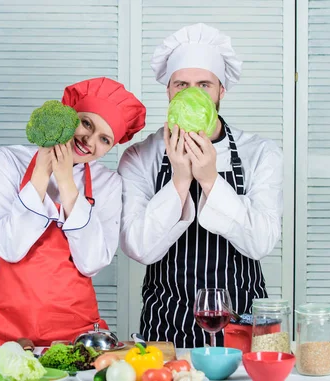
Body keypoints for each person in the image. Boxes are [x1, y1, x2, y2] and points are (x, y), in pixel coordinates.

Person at [118, 23, 284, 348]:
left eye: (204, 84)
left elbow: (261, 243)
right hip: (166, 325)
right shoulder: (139, 155)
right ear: (168, 90)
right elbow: (139, 247)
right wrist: (180, 181)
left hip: (241, 322)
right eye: (182, 84)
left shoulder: (260, 153)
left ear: (221, 91)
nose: (192, 94)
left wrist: (209, 179)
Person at [0, 77, 146, 346]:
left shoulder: (108, 182)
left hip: (76, 338)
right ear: (69, 114)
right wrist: (41, 172)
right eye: (86, 123)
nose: (89, 140)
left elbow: (91, 263)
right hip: (3, 335)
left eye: (104, 139)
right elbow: (9, 247)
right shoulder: (8, 160)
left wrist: (66, 184)